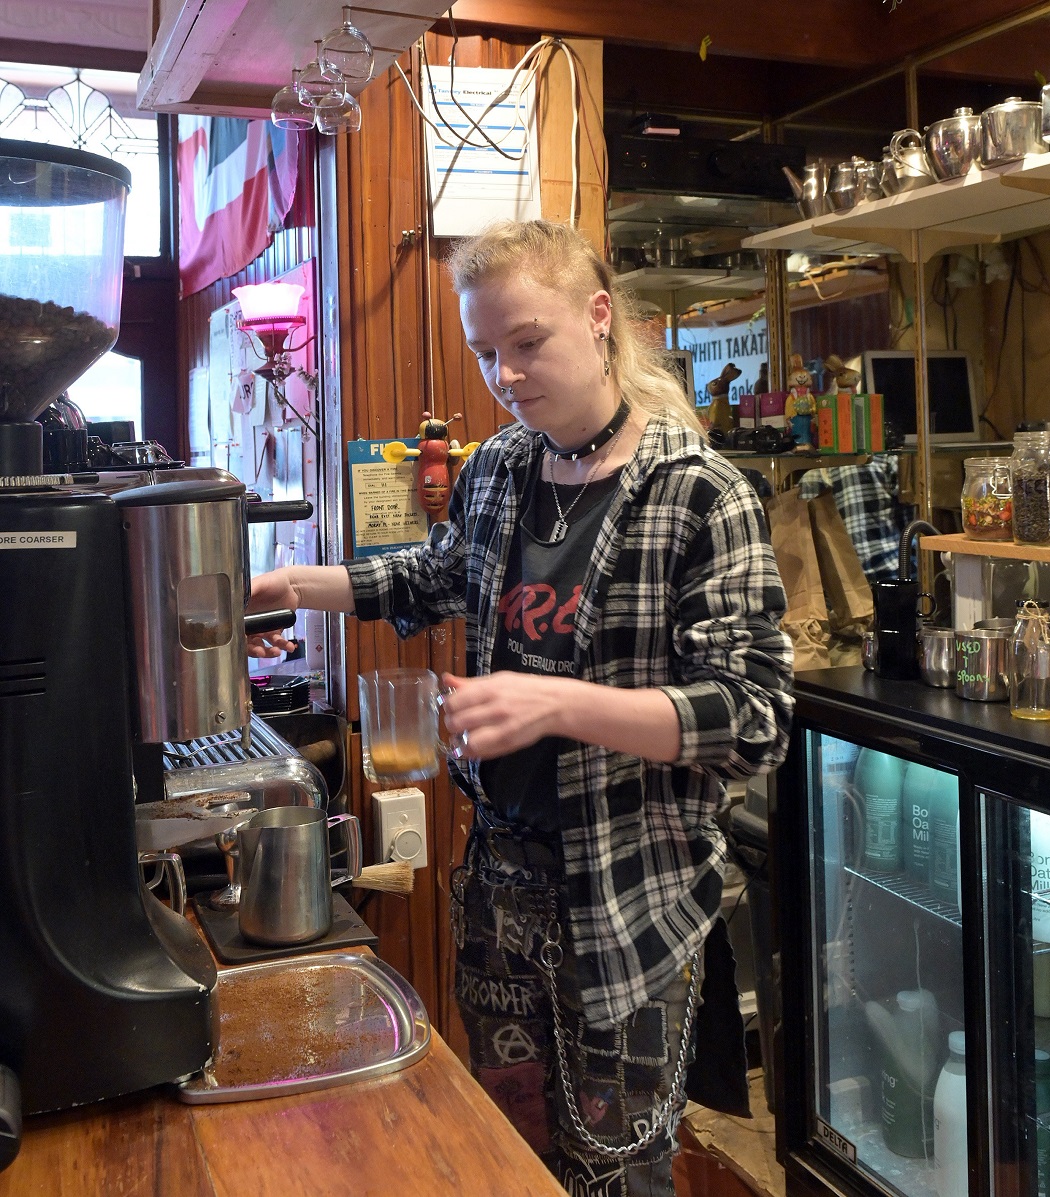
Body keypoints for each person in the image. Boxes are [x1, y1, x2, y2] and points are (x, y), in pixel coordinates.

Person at [246, 219, 794, 1196]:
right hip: (500, 880)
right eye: (485, 351)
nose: (504, 372)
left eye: (526, 342)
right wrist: (296, 584)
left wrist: (557, 703)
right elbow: (433, 577)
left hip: (628, 896)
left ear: (597, 319)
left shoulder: (704, 496)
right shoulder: (499, 466)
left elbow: (750, 716)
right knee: (514, 1141)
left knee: (617, 1167)